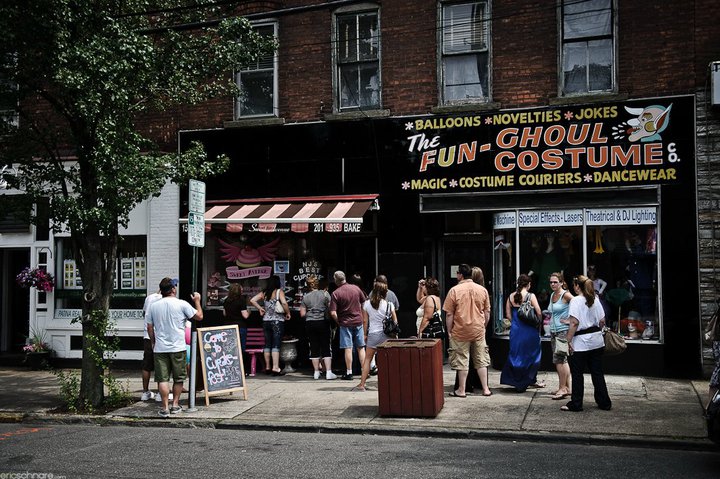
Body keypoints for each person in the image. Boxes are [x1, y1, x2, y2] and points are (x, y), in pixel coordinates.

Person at [146, 277, 203, 417]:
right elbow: (199, 316)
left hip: (160, 348)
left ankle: (164, 408)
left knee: (162, 379)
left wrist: (153, 342)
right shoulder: (182, 304)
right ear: (172, 289)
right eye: (175, 286)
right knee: (178, 378)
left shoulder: (153, 306)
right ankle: (175, 405)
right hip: (178, 347)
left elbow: (149, 327)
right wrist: (197, 301)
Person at [561, 275, 612, 412]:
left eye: (574, 285)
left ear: (578, 286)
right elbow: (602, 321)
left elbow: (574, 323)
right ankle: (604, 402)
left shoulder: (576, 301)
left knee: (577, 374)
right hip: (596, 341)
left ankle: (576, 404)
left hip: (581, 343)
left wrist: (568, 340)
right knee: (597, 373)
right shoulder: (595, 299)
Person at [443, 263, 492, 397]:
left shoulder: (454, 290)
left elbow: (449, 314)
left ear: (460, 275)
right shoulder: (482, 290)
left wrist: (449, 331)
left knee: (461, 360)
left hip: (460, 330)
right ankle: (486, 389)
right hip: (478, 330)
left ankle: (462, 390)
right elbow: (487, 312)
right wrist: (484, 326)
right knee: (481, 359)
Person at [500, 274, 545, 392]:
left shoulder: (510, 297)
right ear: (528, 285)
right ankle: (529, 379)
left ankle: (516, 380)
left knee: (516, 354)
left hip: (516, 330)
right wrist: (537, 322)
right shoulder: (531, 296)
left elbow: (508, 315)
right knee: (532, 354)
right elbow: (539, 312)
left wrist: (515, 322)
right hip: (530, 330)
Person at [356, 281, 397, 391]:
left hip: (373, 334)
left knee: (368, 359)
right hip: (387, 335)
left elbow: (365, 321)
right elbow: (395, 321)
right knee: (389, 360)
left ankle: (362, 384)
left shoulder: (366, 304)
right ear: (385, 293)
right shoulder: (389, 304)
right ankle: (390, 384)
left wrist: (364, 334)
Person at [329, 270, 367, 381]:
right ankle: (364, 371)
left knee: (348, 348)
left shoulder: (336, 293)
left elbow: (332, 312)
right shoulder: (356, 289)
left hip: (345, 323)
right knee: (361, 347)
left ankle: (349, 372)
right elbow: (364, 304)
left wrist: (338, 321)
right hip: (358, 322)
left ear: (336, 280)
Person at [250, 275, 291, 376]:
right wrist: (288, 313)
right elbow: (284, 303)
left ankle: (268, 367)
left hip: (266, 321)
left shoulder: (264, 293)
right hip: (277, 321)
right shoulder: (279, 292)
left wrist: (260, 308)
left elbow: (252, 300)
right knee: (276, 344)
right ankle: (275, 367)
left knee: (267, 344)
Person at [300, 275, 337, 380]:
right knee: (326, 346)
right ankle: (329, 372)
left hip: (310, 323)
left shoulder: (305, 297)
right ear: (317, 284)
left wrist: (311, 313)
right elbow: (330, 309)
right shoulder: (325, 294)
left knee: (314, 347)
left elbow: (302, 314)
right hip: (323, 322)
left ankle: (316, 373)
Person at [548, 272, 573, 400]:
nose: (552, 284)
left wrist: (569, 320)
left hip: (562, 331)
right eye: (551, 282)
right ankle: (565, 387)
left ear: (561, 282)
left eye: (555, 282)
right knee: (561, 360)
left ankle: (563, 388)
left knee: (559, 360)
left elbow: (578, 305)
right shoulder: (553, 294)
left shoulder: (566, 294)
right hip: (554, 330)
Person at [140, 287, 162, 401]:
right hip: (159, 336)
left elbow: (144, 314)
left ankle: (145, 392)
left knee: (147, 365)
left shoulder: (149, 298)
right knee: (160, 364)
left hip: (147, 336)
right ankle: (159, 393)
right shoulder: (164, 300)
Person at [223, 283, 250, 375]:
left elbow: (224, 314)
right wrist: (249, 311)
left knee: (230, 349)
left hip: (228, 327)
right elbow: (245, 315)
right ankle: (242, 370)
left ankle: (231, 369)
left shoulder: (226, 300)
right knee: (241, 349)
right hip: (240, 326)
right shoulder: (241, 300)